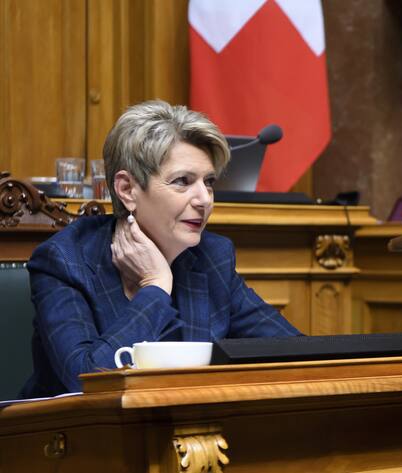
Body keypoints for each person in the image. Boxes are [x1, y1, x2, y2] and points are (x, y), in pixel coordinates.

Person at [21, 100, 300, 398]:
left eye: (208, 182)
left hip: (188, 431)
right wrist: (155, 287)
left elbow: (293, 351)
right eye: (183, 181)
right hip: (77, 438)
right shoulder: (65, 261)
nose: (204, 199)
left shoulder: (211, 257)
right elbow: (88, 382)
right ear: (127, 189)